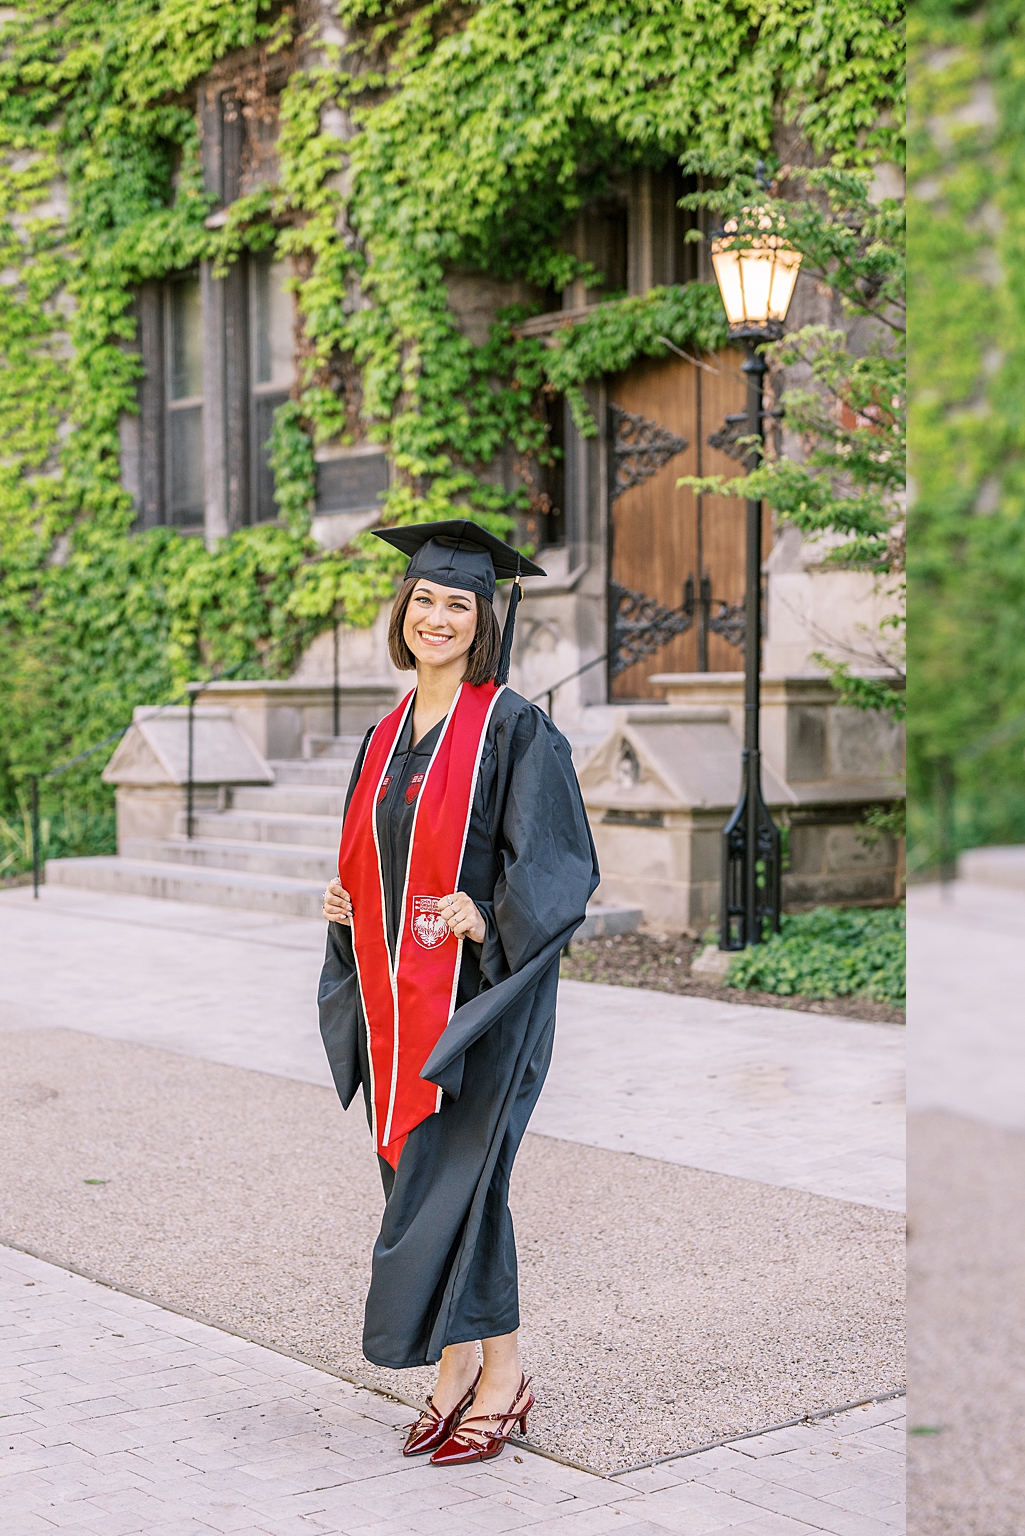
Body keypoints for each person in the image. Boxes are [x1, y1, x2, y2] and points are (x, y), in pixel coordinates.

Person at [316, 519, 599, 1466]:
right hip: (395, 1001)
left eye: (459, 604)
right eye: (425, 599)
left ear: (485, 621)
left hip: (480, 1002)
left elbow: (558, 862)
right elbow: (380, 853)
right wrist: (346, 900)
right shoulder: (383, 736)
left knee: (466, 1182)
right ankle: (459, 1366)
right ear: (404, 610)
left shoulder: (513, 728)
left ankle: (501, 1376)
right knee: (418, 1181)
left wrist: (486, 914)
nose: (437, 617)